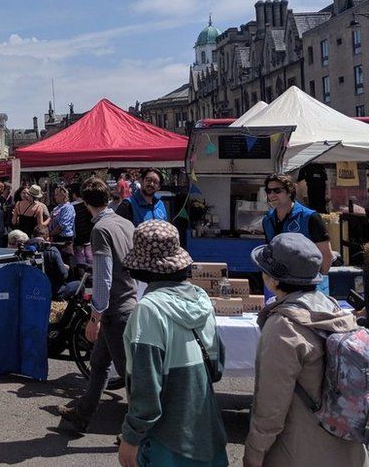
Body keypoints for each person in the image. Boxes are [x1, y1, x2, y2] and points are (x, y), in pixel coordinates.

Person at [244, 233, 369, 467]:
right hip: (350, 449)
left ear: (274, 279)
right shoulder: (334, 310)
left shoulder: (284, 326)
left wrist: (253, 454)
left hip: (300, 451)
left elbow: (270, 408)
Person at [117, 220, 228, 467]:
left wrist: (131, 437)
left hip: (167, 442)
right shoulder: (201, 300)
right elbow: (217, 367)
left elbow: (147, 385)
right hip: (208, 436)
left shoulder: (149, 309)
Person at [58, 177, 136, 432]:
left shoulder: (101, 230)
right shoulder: (124, 223)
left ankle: (138, 433)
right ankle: (83, 412)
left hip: (116, 309)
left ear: (84, 202)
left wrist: (95, 316)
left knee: (129, 375)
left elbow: (103, 274)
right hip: (127, 301)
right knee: (99, 363)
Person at [261, 173, 332, 276]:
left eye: (277, 191)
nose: (272, 195)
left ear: (289, 191)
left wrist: (319, 280)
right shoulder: (267, 219)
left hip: (307, 279)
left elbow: (326, 254)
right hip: (278, 279)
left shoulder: (310, 217)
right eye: (269, 191)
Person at [71, 186, 95, 272]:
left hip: (78, 234)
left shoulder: (71, 206)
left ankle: (82, 275)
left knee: (79, 254)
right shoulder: (87, 204)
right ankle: (92, 273)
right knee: (89, 253)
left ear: (74, 194)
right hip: (88, 233)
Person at [48, 185, 75, 253]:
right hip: (55, 237)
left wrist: (51, 234)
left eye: (57, 194)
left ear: (63, 195)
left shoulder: (68, 207)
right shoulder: (56, 208)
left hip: (64, 239)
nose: (54, 196)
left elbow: (62, 225)